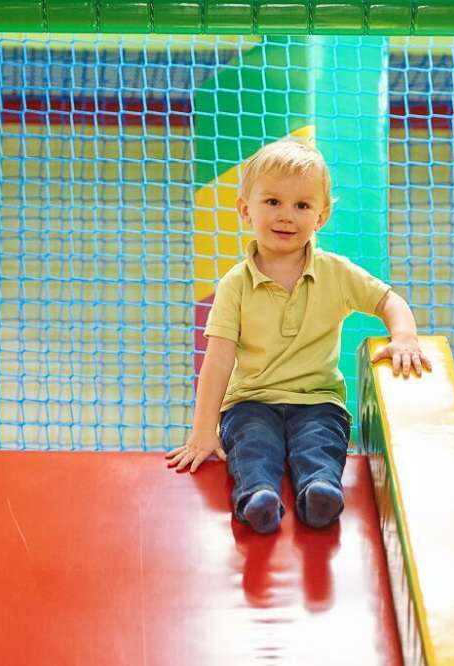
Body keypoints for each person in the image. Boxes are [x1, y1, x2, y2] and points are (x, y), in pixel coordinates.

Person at [166, 138, 431, 534]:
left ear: (320, 217)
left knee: (321, 442)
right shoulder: (235, 284)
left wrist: (405, 335)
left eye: (302, 206)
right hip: (251, 401)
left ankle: (320, 491)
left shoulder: (335, 272)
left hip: (317, 400)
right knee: (252, 444)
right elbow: (218, 360)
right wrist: (203, 431)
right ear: (245, 209)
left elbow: (388, 301)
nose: (286, 216)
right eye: (272, 202)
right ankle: (258, 497)